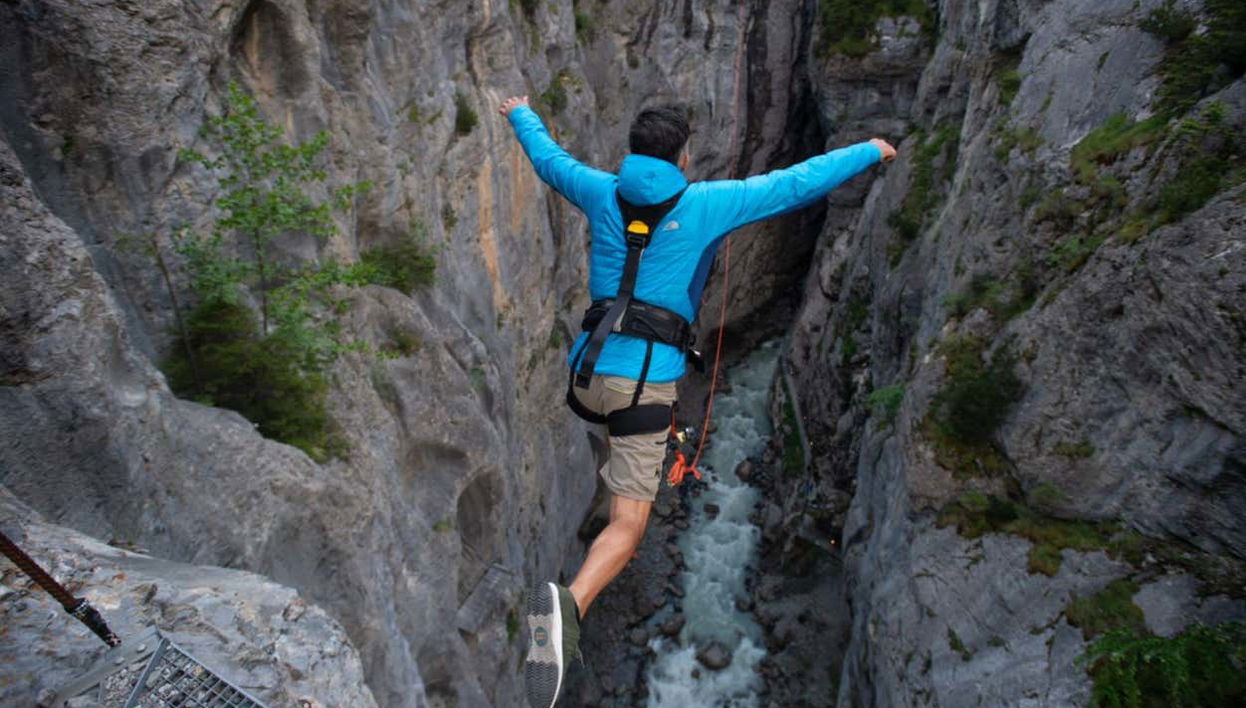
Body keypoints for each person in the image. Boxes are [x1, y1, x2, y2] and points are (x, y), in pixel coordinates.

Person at [498, 95, 895, 708]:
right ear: (684, 155)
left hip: (588, 375)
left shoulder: (599, 190)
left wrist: (520, 112)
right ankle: (566, 608)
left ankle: (604, 509)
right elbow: (794, 183)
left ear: (632, 151)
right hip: (643, 385)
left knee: (620, 465)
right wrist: (869, 150)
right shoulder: (706, 204)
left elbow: (548, 160)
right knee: (629, 526)